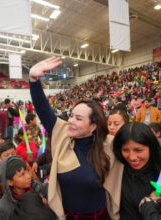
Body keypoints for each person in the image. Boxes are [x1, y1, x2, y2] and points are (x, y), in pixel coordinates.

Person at [28, 56, 122, 219]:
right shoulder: (63, 135)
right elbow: (43, 110)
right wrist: (33, 79)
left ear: (93, 126)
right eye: (71, 115)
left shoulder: (110, 145)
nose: (70, 121)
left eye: (78, 119)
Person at [113, 122, 161, 219]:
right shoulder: (118, 170)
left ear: (151, 147)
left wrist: (150, 204)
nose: (132, 157)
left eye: (138, 150)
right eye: (125, 150)